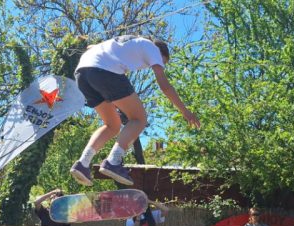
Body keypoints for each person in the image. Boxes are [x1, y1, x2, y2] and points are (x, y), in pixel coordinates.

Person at [69, 36, 199, 187]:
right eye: (163, 62)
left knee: (112, 125)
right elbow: (165, 86)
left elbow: (98, 52)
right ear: (161, 53)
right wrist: (185, 111)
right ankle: (113, 161)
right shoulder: (152, 48)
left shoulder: (130, 43)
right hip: (103, 71)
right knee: (139, 119)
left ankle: (82, 163)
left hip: (82, 74)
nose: (157, 65)